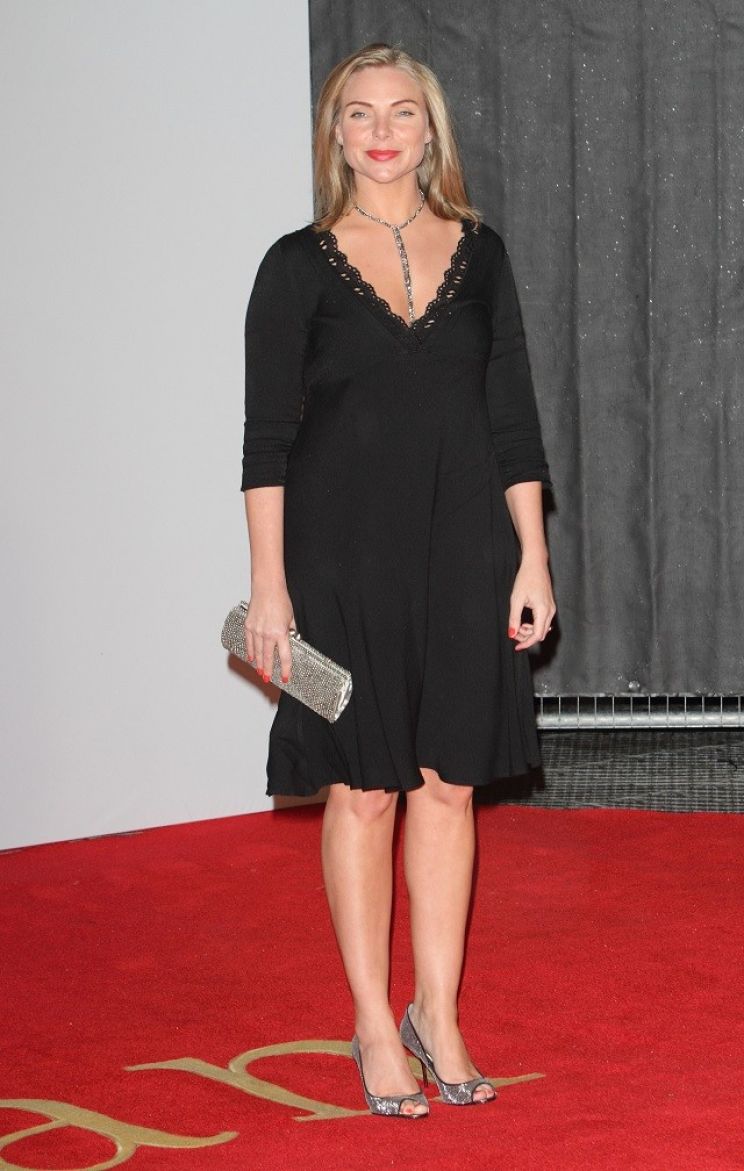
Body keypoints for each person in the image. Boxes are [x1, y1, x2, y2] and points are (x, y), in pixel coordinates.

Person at [239, 42, 556, 1118]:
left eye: (402, 112)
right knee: (365, 788)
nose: (382, 131)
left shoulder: (483, 253)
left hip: (464, 547)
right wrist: (269, 587)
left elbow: (512, 420)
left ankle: (439, 1012)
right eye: (360, 113)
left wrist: (532, 555)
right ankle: (375, 1020)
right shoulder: (295, 266)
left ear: (431, 130)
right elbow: (266, 441)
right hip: (339, 561)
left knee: (449, 784)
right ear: (335, 134)